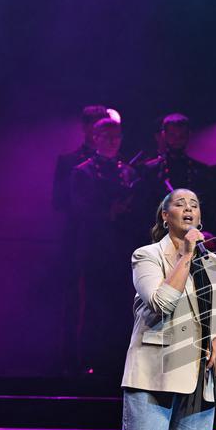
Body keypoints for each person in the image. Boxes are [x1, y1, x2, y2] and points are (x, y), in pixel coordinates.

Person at [121, 189, 216, 430]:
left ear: (200, 217)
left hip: (201, 377)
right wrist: (186, 255)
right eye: (180, 203)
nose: (188, 208)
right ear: (165, 215)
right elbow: (161, 302)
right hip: (154, 374)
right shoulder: (146, 255)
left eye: (195, 205)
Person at [70, 116, 142, 375]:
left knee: (123, 306)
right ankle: (89, 361)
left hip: (122, 249)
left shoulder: (129, 171)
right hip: (95, 249)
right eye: (107, 137)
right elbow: (78, 210)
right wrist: (109, 211)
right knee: (93, 306)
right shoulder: (82, 171)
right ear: (95, 138)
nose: (113, 142)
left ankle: (118, 361)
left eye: (117, 137)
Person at [54, 105, 114, 374]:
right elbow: (60, 202)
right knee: (77, 299)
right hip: (80, 239)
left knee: (106, 298)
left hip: (109, 242)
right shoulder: (70, 162)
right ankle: (73, 360)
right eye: (94, 124)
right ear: (86, 127)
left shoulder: (119, 165)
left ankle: (104, 358)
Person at [141, 113, 211, 195]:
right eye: (172, 135)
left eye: (182, 136)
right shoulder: (152, 170)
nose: (177, 140)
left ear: (189, 135)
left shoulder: (200, 170)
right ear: (164, 135)